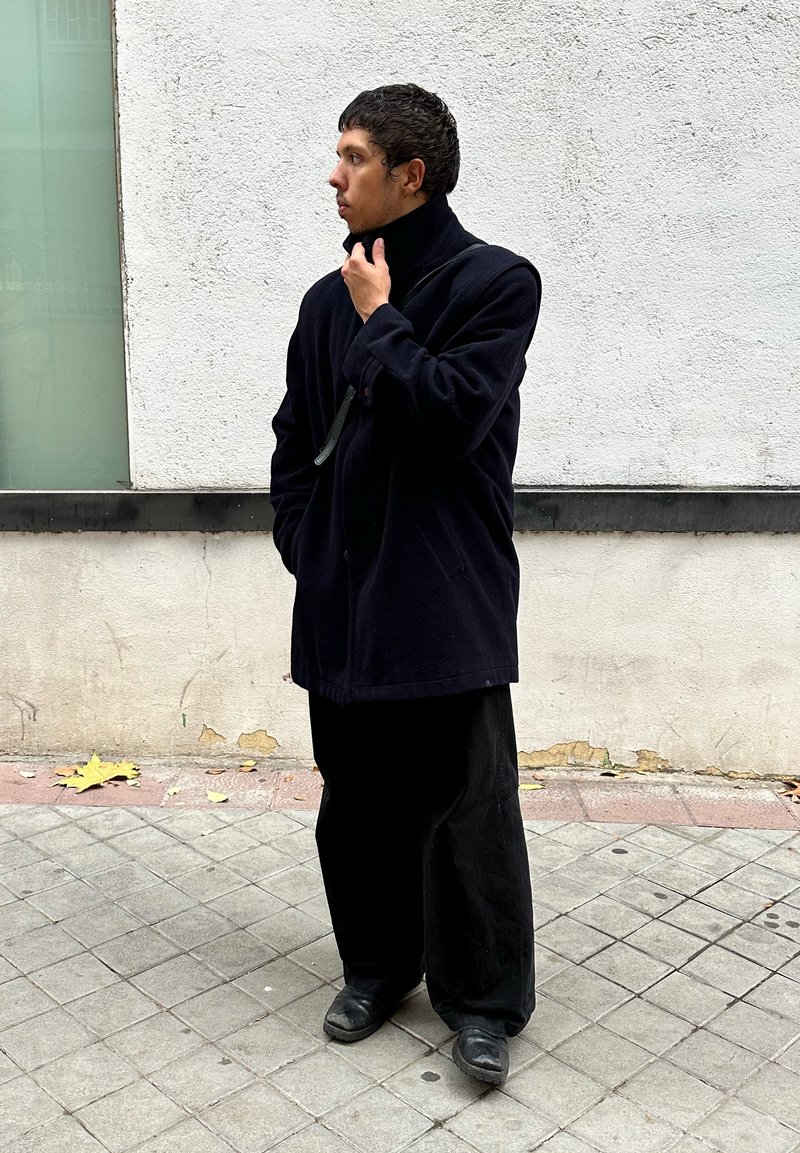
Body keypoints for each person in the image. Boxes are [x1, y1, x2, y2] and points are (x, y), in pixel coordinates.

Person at [270, 83, 541, 1086]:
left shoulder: (495, 283)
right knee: (358, 804)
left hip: (442, 596)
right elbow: (294, 436)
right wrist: (301, 535)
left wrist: (381, 325)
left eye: (351, 157)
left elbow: (455, 413)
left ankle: (482, 1001)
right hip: (341, 599)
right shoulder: (318, 301)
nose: (333, 176)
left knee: (465, 808)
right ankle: (377, 967)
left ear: (409, 175)